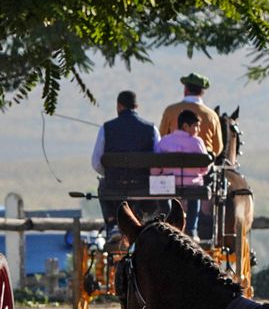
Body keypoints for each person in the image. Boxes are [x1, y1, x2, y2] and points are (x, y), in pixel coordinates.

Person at [91, 90, 159, 247]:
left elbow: (96, 163)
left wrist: (109, 175)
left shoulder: (106, 128)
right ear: (136, 106)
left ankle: (112, 225)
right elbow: (158, 160)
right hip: (143, 187)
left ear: (119, 106)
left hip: (115, 185)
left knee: (103, 185)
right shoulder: (151, 129)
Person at [154, 111, 212, 241]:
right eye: (196, 126)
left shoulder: (165, 141)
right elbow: (205, 168)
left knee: (163, 194)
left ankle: (168, 223)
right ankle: (191, 229)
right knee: (195, 195)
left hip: (168, 184)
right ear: (185, 126)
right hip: (191, 183)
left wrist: (159, 174)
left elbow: (155, 168)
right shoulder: (197, 142)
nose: (198, 130)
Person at [158, 72, 222, 161]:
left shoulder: (170, 110)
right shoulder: (212, 115)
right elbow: (217, 148)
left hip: (172, 163)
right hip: (203, 164)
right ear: (202, 92)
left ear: (186, 90)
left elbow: (161, 136)